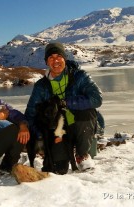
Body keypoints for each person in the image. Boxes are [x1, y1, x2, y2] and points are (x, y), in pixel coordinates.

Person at [25, 42, 102, 173]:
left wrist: (67, 103)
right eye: (51, 57)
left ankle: (82, 155)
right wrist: (40, 137)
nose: (55, 61)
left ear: (64, 58)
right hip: (58, 129)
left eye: (59, 56)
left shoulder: (79, 76)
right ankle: (58, 153)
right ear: (46, 62)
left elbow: (96, 99)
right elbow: (31, 113)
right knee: (59, 168)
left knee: (86, 111)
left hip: (77, 122)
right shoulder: (41, 85)